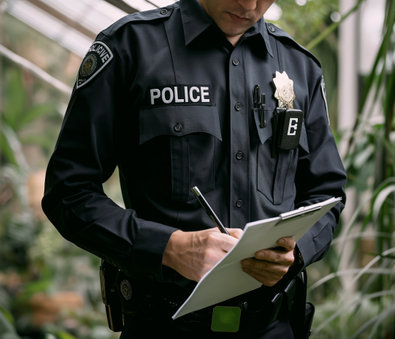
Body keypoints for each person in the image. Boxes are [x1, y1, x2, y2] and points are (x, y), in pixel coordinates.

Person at [42, 0, 347, 337]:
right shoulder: (131, 47)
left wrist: (296, 251)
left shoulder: (299, 67)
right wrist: (167, 247)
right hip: (163, 325)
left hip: (274, 326)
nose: (248, 4)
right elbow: (68, 192)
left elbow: (327, 193)